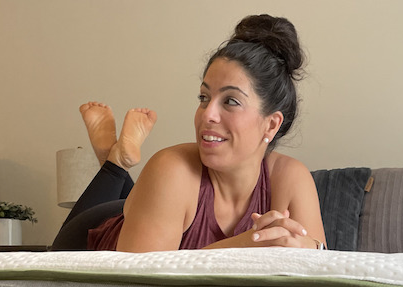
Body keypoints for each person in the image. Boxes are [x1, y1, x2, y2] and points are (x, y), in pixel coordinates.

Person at [53, 14, 326, 252]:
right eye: (204, 97)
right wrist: (244, 249)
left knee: (141, 201)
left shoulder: (290, 178)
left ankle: (112, 159)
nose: (207, 114)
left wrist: (312, 249)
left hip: (149, 216)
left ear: (271, 124)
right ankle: (114, 165)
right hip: (88, 239)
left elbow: (322, 272)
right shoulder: (171, 168)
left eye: (230, 101)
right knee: (55, 252)